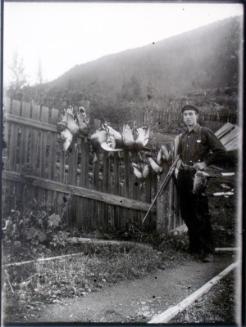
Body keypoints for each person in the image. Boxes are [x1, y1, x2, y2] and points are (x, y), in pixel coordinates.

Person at [176, 105, 226, 262]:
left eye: (191, 114)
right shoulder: (183, 136)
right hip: (183, 176)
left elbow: (220, 150)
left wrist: (205, 163)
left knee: (200, 212)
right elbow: (179, 156)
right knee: (186, 212)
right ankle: (195, 247)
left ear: (196, 116)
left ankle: (207, 250)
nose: (188, 117)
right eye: (185, 115)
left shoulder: (205, 132)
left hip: (197, 176)